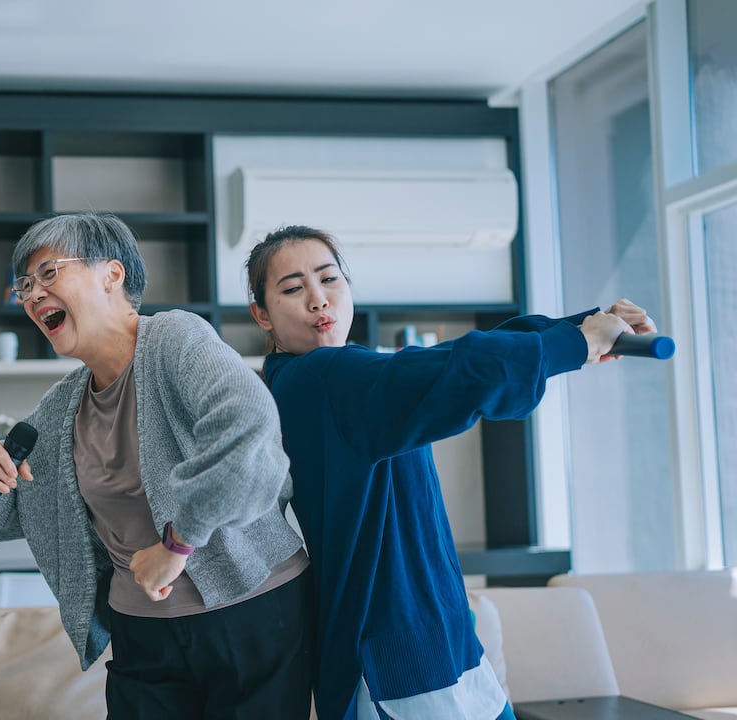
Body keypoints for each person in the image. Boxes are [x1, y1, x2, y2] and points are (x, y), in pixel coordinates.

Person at [244, 225, 656, 720]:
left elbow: (446, 356)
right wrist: (576, 342)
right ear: (262, 315)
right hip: (398, 663)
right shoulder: (318, 379)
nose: (318, 299)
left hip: (439, 643)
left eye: (329, 279)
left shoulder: (342, 374)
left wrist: (586, 327)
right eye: (293, 289)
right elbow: (457, 372)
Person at [0, 212, 312, 718]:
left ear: (112, 274)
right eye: (25, 286)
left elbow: (250, 433)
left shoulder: (176, 339)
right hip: (143, 632)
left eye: (49, 273)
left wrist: (179, 543)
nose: (33, 294)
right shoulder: (60, 409)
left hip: (252, 608)